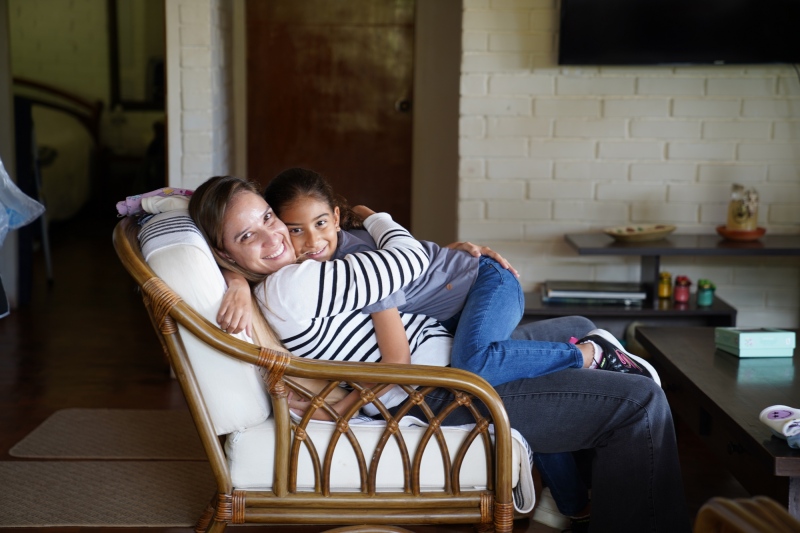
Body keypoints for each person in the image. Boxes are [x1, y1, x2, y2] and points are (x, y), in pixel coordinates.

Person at [188, 175, 692, 533]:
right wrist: (380, 221)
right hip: (445, 392)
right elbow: (406, 262)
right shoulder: (297, 285)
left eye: (269, 218)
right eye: (246, 235)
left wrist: (236, 278)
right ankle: (589, 417)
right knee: (639, 403)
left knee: (579, 325)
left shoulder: (283, 279)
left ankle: (573, 503)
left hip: (441, 361)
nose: (276, 235)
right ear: (225, 252)